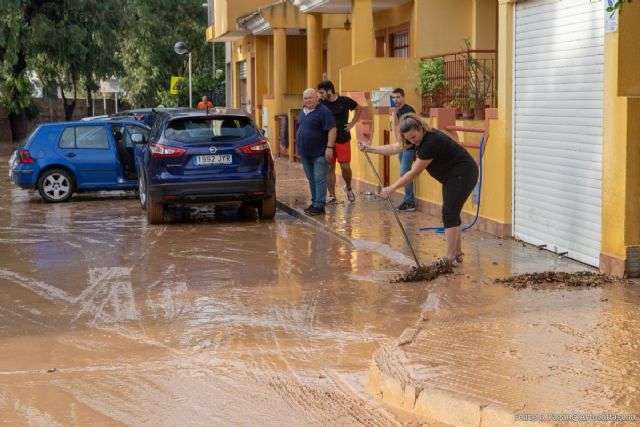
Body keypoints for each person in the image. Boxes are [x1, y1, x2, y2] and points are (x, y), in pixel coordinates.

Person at [358, 113, 478, 265]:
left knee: (449, 213)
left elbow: (414, 172)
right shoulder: (415, 139)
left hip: (463, 173)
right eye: (408, 139)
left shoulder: (431, 142)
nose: (412, 141)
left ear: (421, 128)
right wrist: (369, 148)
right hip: (452, 176)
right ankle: (457, 254)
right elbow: (395, 147)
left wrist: (392, 188)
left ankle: (449, 258)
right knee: (452, 212)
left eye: (414, 137)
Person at [317, 80, 362, 204]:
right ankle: (331, 195)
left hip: (343, 139)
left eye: (322, 92)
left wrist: (352, 123)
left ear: (329, 91)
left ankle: (348, 188)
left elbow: (359, 108)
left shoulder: (344, 101)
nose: (320, 95)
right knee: (330, 168)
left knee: (345, 167)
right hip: (327, 142)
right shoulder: (321, 103)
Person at [296, 88, 337, 216]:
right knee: (311, 179)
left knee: (320, 179)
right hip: (305, 153)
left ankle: (319, 206)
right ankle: (314, 203)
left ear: (317, 97)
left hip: (320, 152)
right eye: (305, 98)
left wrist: (329, 148)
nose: (308, 100)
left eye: (310, 97)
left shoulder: (324, 111)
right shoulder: (303, 111)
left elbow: (332, 129)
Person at [391, 88, 417, 212]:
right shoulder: (396, 111)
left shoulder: (409, 110)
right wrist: (393, 113)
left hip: (409, 147)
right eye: (394, 97)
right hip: (401, 146)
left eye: (398, 97)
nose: (395, 100)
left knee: (404, 173)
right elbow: (395, 128)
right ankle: (408, 201)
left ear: (403, 97)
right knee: (404, 174)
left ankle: (410, 202)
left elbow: (414, 128)